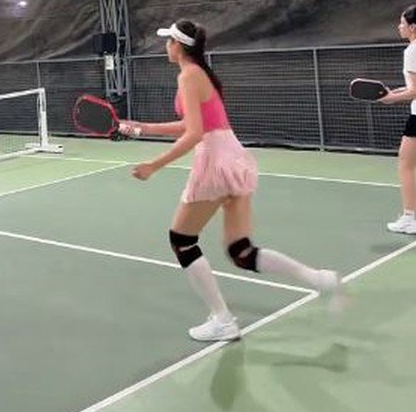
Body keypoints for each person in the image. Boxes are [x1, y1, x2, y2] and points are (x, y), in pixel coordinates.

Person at [120, 19, 341, 342]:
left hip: (216, 161)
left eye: (168, 41)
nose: (165, 46)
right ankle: (320, 279)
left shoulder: (188, 76)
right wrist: (144, 127)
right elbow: (194, 124)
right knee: (241, 252)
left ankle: (223, 320)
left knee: (182, 240)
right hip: (233, 157)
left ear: (178, 46)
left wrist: (154, 165)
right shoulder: (200, 74)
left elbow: (195, 134)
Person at [379, 5, 416, 234]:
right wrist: (395, 91)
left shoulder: (412, 51)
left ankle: (410, 217)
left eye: (403, 23)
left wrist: (392, 98)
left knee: (406, 164)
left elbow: (415, 91)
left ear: (413, 27)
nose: (399, 27)